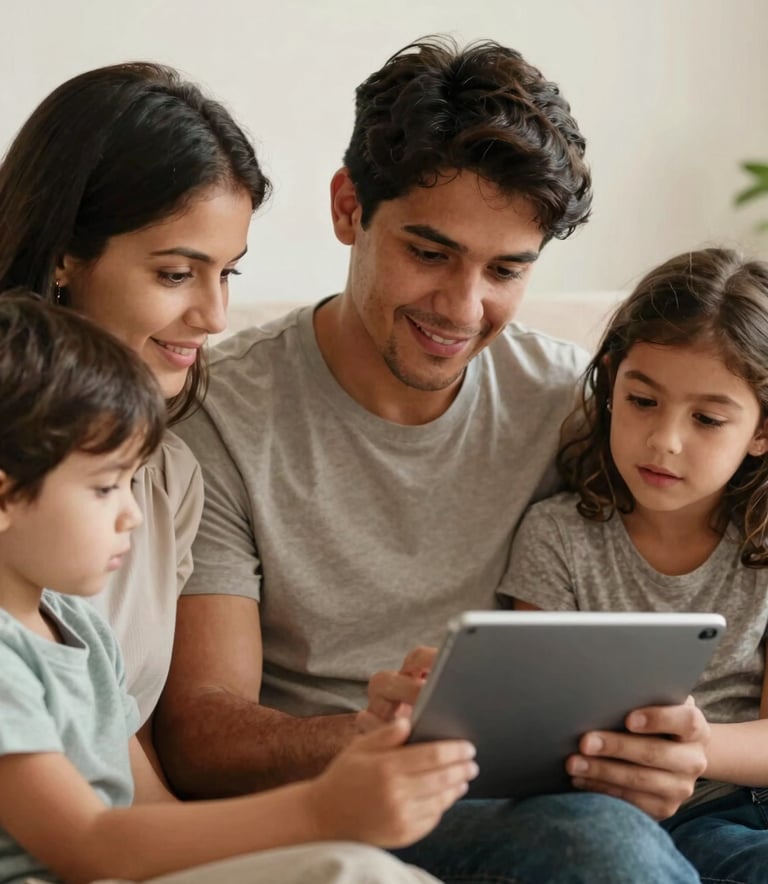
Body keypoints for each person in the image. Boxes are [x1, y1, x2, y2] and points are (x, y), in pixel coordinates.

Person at [158, 35, 707, 882]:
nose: (463, 308)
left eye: (506, 271)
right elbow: (199, 732)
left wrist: (657, 752)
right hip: (330, 806)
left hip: (535, 798)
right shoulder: (221, 412)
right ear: (349, 208)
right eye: (430, 253)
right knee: (598, 846)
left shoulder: (573, 406)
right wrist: (384, 739)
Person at [0, 294, 476, 884]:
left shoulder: (81, 630)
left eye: (131, 483)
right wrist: (321, 808)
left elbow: (151, 813)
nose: (133, 516)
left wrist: (361, 769)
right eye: (104, 488)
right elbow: (89, 842)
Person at [0, 61, 268, 739]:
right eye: (177, 273)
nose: (214, 315)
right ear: (65, 256)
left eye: (227, 273)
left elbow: (119, 753)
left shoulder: (169, 478)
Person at [503, 246, 768, 883]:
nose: (665, 440)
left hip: (743, 804)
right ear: (610, 383)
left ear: (762, 432)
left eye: (707, 419)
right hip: (613, 819)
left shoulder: (761, 552)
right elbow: (534, 722)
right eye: (642, 400)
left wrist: (697, 747)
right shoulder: (559, 538)